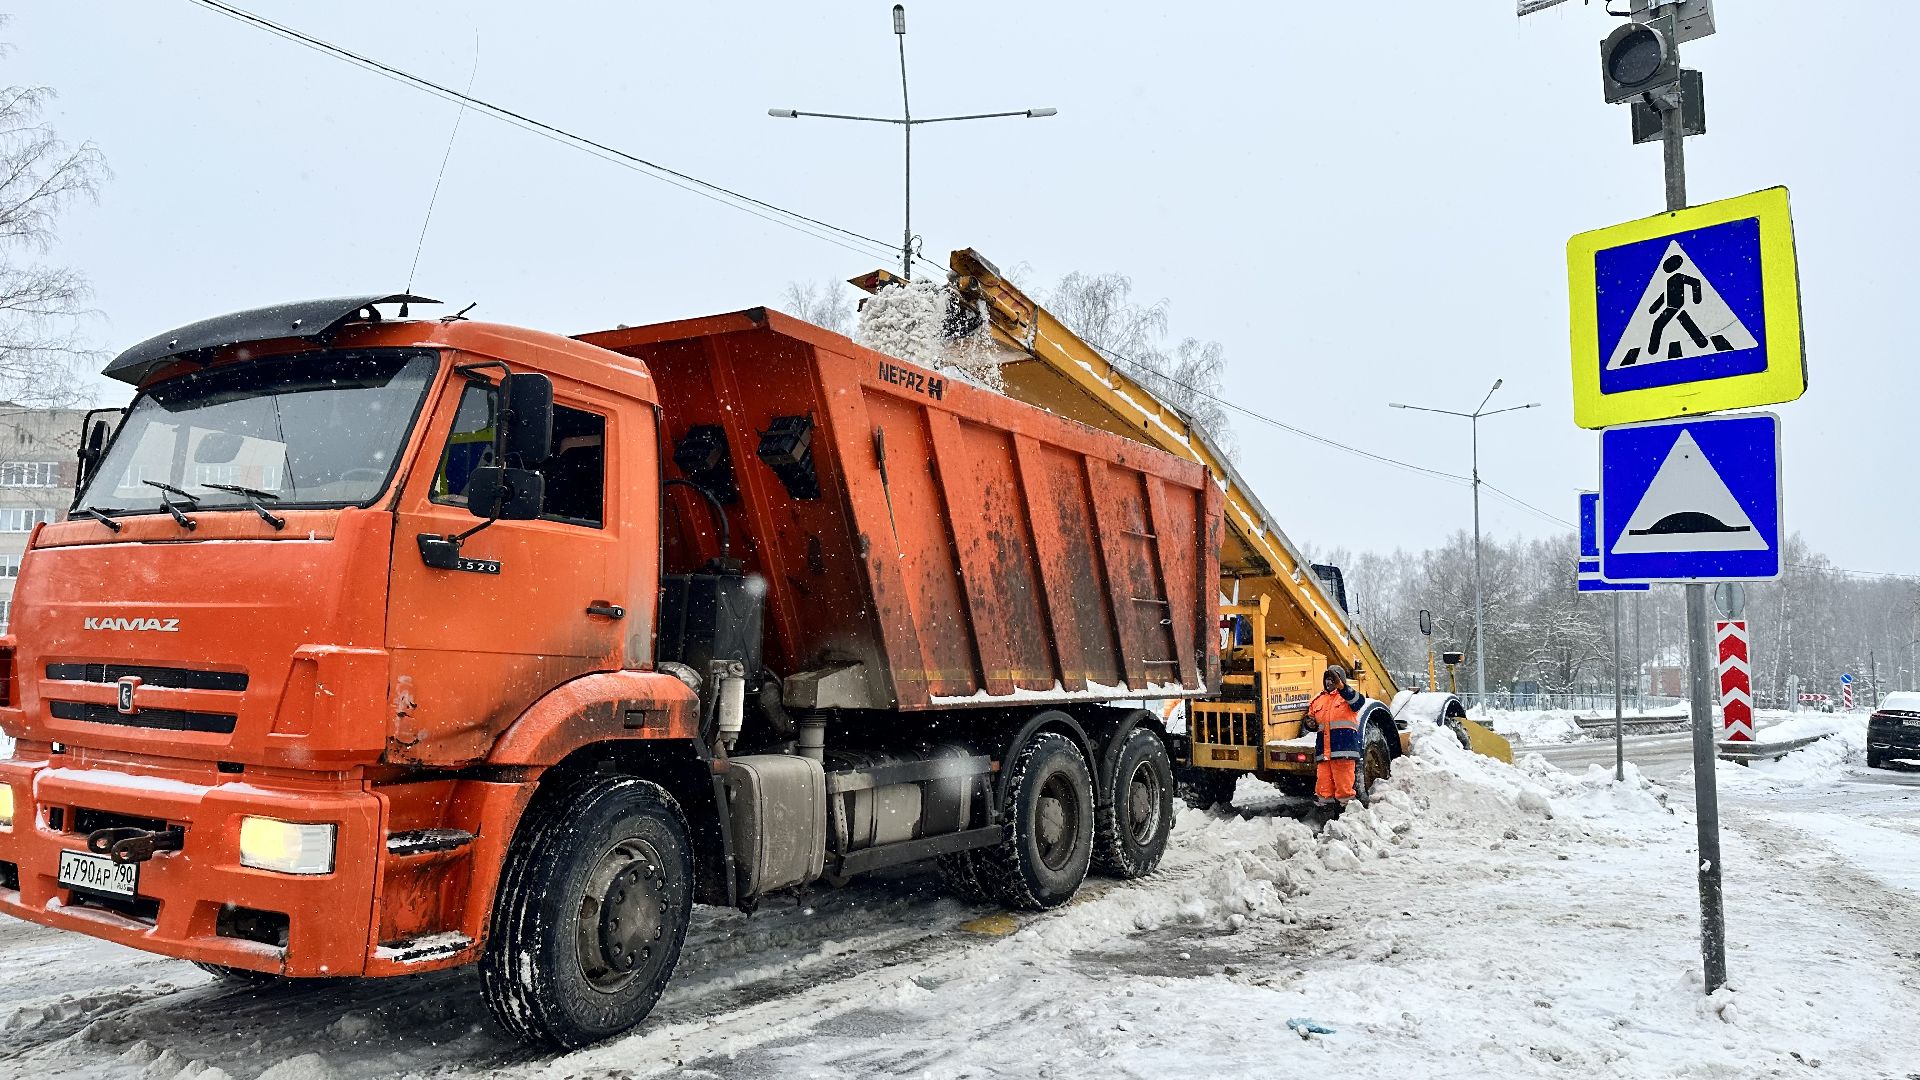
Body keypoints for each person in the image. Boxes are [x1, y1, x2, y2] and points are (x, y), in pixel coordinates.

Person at [1303, 665, 1365, 813]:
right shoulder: (1317, 700)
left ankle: (1347, 816)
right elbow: (1311, 721)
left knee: (1344, 788)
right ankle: (1325, 815)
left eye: (1333, 679)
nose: (1329, 683)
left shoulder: (1347, 697)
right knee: (1323, 788)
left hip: (1344, 751)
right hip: (1324, 754)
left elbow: (1359, 702)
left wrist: (1342, 687)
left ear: (1340, 680)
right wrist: (1309, 723)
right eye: (1327, 679)